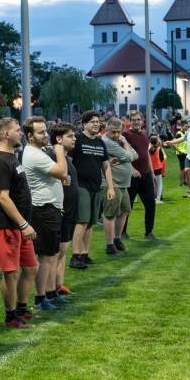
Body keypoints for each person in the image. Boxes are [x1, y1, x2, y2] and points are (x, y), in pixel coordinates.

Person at [0, 117, 38, 328]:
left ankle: (22, 308)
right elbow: (3, 197)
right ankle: (11, 316)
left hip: (18, 224)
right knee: (10, 273)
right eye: (17, 130)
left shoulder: (11, 156)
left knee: (30, 268)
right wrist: (23, 224)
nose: (21, 133)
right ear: (6, 134)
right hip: (4, 225)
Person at [22, 116, 68, 311]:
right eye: (41, 132)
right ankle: (40, 298)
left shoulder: (37, 151)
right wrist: (60, 151)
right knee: (46, 256)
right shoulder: (34, 154)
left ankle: (49, 294)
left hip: (49, 208)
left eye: (45, 131)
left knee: (51, 254)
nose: (46, 135)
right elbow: (62, 171)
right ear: (30, 136)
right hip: (43, 210)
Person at [70, 111, 114, 268]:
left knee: (90, 223)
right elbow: (68, 161)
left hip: (96, 187)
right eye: (92, 122)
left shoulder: (100, 142)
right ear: (84, 124)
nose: (96, 124)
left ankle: (84, 254)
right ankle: (75, 256)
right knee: (82, 220)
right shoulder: (77, 140)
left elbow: (106, 166)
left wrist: (110, 187)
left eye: (97, 122)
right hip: (80, 186)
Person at [49, 122, 79, 293]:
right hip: (60, 211)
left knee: (63, 250)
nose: (74, 139)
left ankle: (58, 286)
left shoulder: (66, 158)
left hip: (70, 210)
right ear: (59, 139)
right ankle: (50, 289)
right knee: (56, 252)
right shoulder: (53, 158)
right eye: (70, 136)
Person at [100, 118, 134, 255]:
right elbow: (129, 156)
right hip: (112, 183)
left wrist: (125, 144)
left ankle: (117, 239)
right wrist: (125, 147)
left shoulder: (118, 141)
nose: (116, 135)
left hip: (123, 183)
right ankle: (109, 245)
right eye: (113, 132)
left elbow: (135, 155)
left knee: (125, 210)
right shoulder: (107, 142)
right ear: (106, 129)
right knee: (110, 214)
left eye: (119, 132)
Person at [122, 111, 158, 240]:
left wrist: (152, 173)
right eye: (134, 120)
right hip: (132, 176)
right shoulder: (125, 135)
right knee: (127, 206)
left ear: (142, 121)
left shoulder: (144, 134)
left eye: (138, 119)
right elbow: (122, 155)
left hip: (146, 175)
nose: (136, 122)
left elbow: (146, 154)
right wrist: (132, 169)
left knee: (151, 204)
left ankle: (149, 232)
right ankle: (122, 232)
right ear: (129, 121)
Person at [149, 134, 166, 203]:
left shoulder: (149, 148)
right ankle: (158, 199)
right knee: (159, 184)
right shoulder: (158, 149)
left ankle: (154, 197)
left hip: (151, 168)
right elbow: (162, 158)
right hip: (158, 168)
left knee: (153, 184)